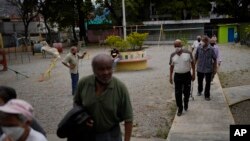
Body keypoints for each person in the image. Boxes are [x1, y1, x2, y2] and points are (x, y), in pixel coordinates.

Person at [74, 54, 133, 141]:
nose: (106, 72)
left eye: (109, 68)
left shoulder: (120, 88)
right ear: (93, 70)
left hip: (111, 135)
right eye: (101, 69)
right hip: (87, 134)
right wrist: (82, 117)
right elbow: (76, 103)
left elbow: (128, 118)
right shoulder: (83, 83)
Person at [169, 39, 195, 116]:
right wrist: (170, 77)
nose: (177, 47)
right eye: (176, 46)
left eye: (179, 45)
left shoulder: (188, 53)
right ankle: (180, 108)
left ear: (182, 45)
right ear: (174, 46)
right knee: (178, 93)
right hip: (177, 76)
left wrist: (193, 74)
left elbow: (193, 63)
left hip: (187, 75)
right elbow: (171, 67)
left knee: (187, 92)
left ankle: (186, 102)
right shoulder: (172, 55)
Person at [195, 36, 217, 101]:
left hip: (208, 69)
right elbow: (196, 57)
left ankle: (207, 95)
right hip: (200, 68)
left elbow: (215, 59)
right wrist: (194, 66)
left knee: (208, 83)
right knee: (200, 81)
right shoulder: (199, 48)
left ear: (207, 42)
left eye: (204, 41)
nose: (202, 42)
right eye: (202, 40)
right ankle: (199, 90)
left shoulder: (211, 49)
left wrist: (215, 68)